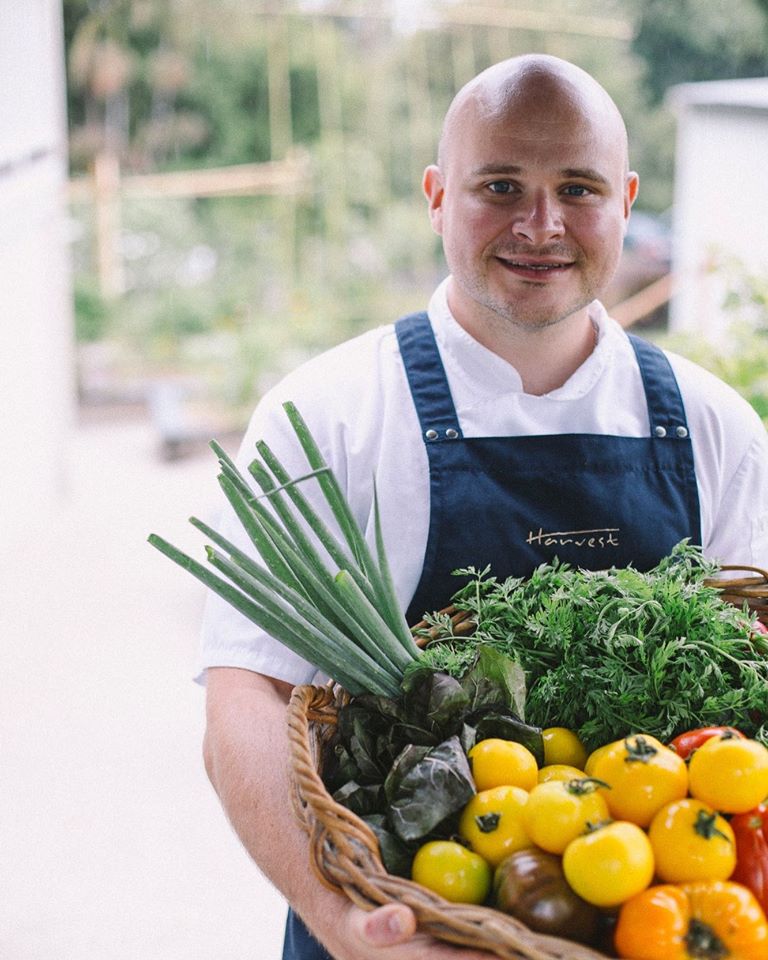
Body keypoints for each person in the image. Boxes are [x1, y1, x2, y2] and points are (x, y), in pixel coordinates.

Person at [199, 54, 768, 960]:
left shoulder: (716, 427)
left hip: (659, 919)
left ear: (625, 199)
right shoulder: (329, 418)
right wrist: (345, 924)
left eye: (577, 188)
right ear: (435, 196)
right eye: (500, 184)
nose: (540, 225)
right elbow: (250, 695)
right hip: (399, 924)